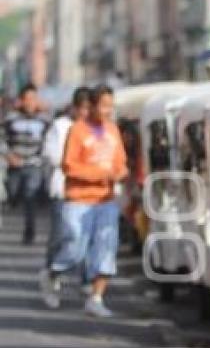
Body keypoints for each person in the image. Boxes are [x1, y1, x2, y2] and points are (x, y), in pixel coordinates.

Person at [40, 85, 127, 318]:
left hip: (106, 200)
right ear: (92, 106)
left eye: (111, 106)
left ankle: (96, 298)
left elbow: (120, 161)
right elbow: (69, 165)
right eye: (103, 106)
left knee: (106, 248)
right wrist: (100, 175)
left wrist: (119, 172)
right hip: (79, 199)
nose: (108, 111)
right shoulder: (77, 130)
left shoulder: (112, 130)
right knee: (75, 248)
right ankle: (53, 273)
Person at [42, 87, 91, 276]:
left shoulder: (94, 128)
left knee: (85, 237)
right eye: (84, 108)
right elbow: (52, 155)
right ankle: (51, 273)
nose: (86, 113)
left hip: (88, 191)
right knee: (61, 235)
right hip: (63, 190)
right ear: (75, 108)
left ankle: (86, 281)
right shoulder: (60, 126)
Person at [1, 83, 50, 244]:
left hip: (33, 165)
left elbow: (50, 141)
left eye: (33, 99)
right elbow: (2, 138)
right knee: (12, 195)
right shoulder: (11, 118)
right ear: (21, 100)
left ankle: (29, 232)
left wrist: (40, 158)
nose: (30, 102)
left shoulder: (44, 119)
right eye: (27, 99)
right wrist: (9, 155)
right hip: (14, 164)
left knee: (30, 196)